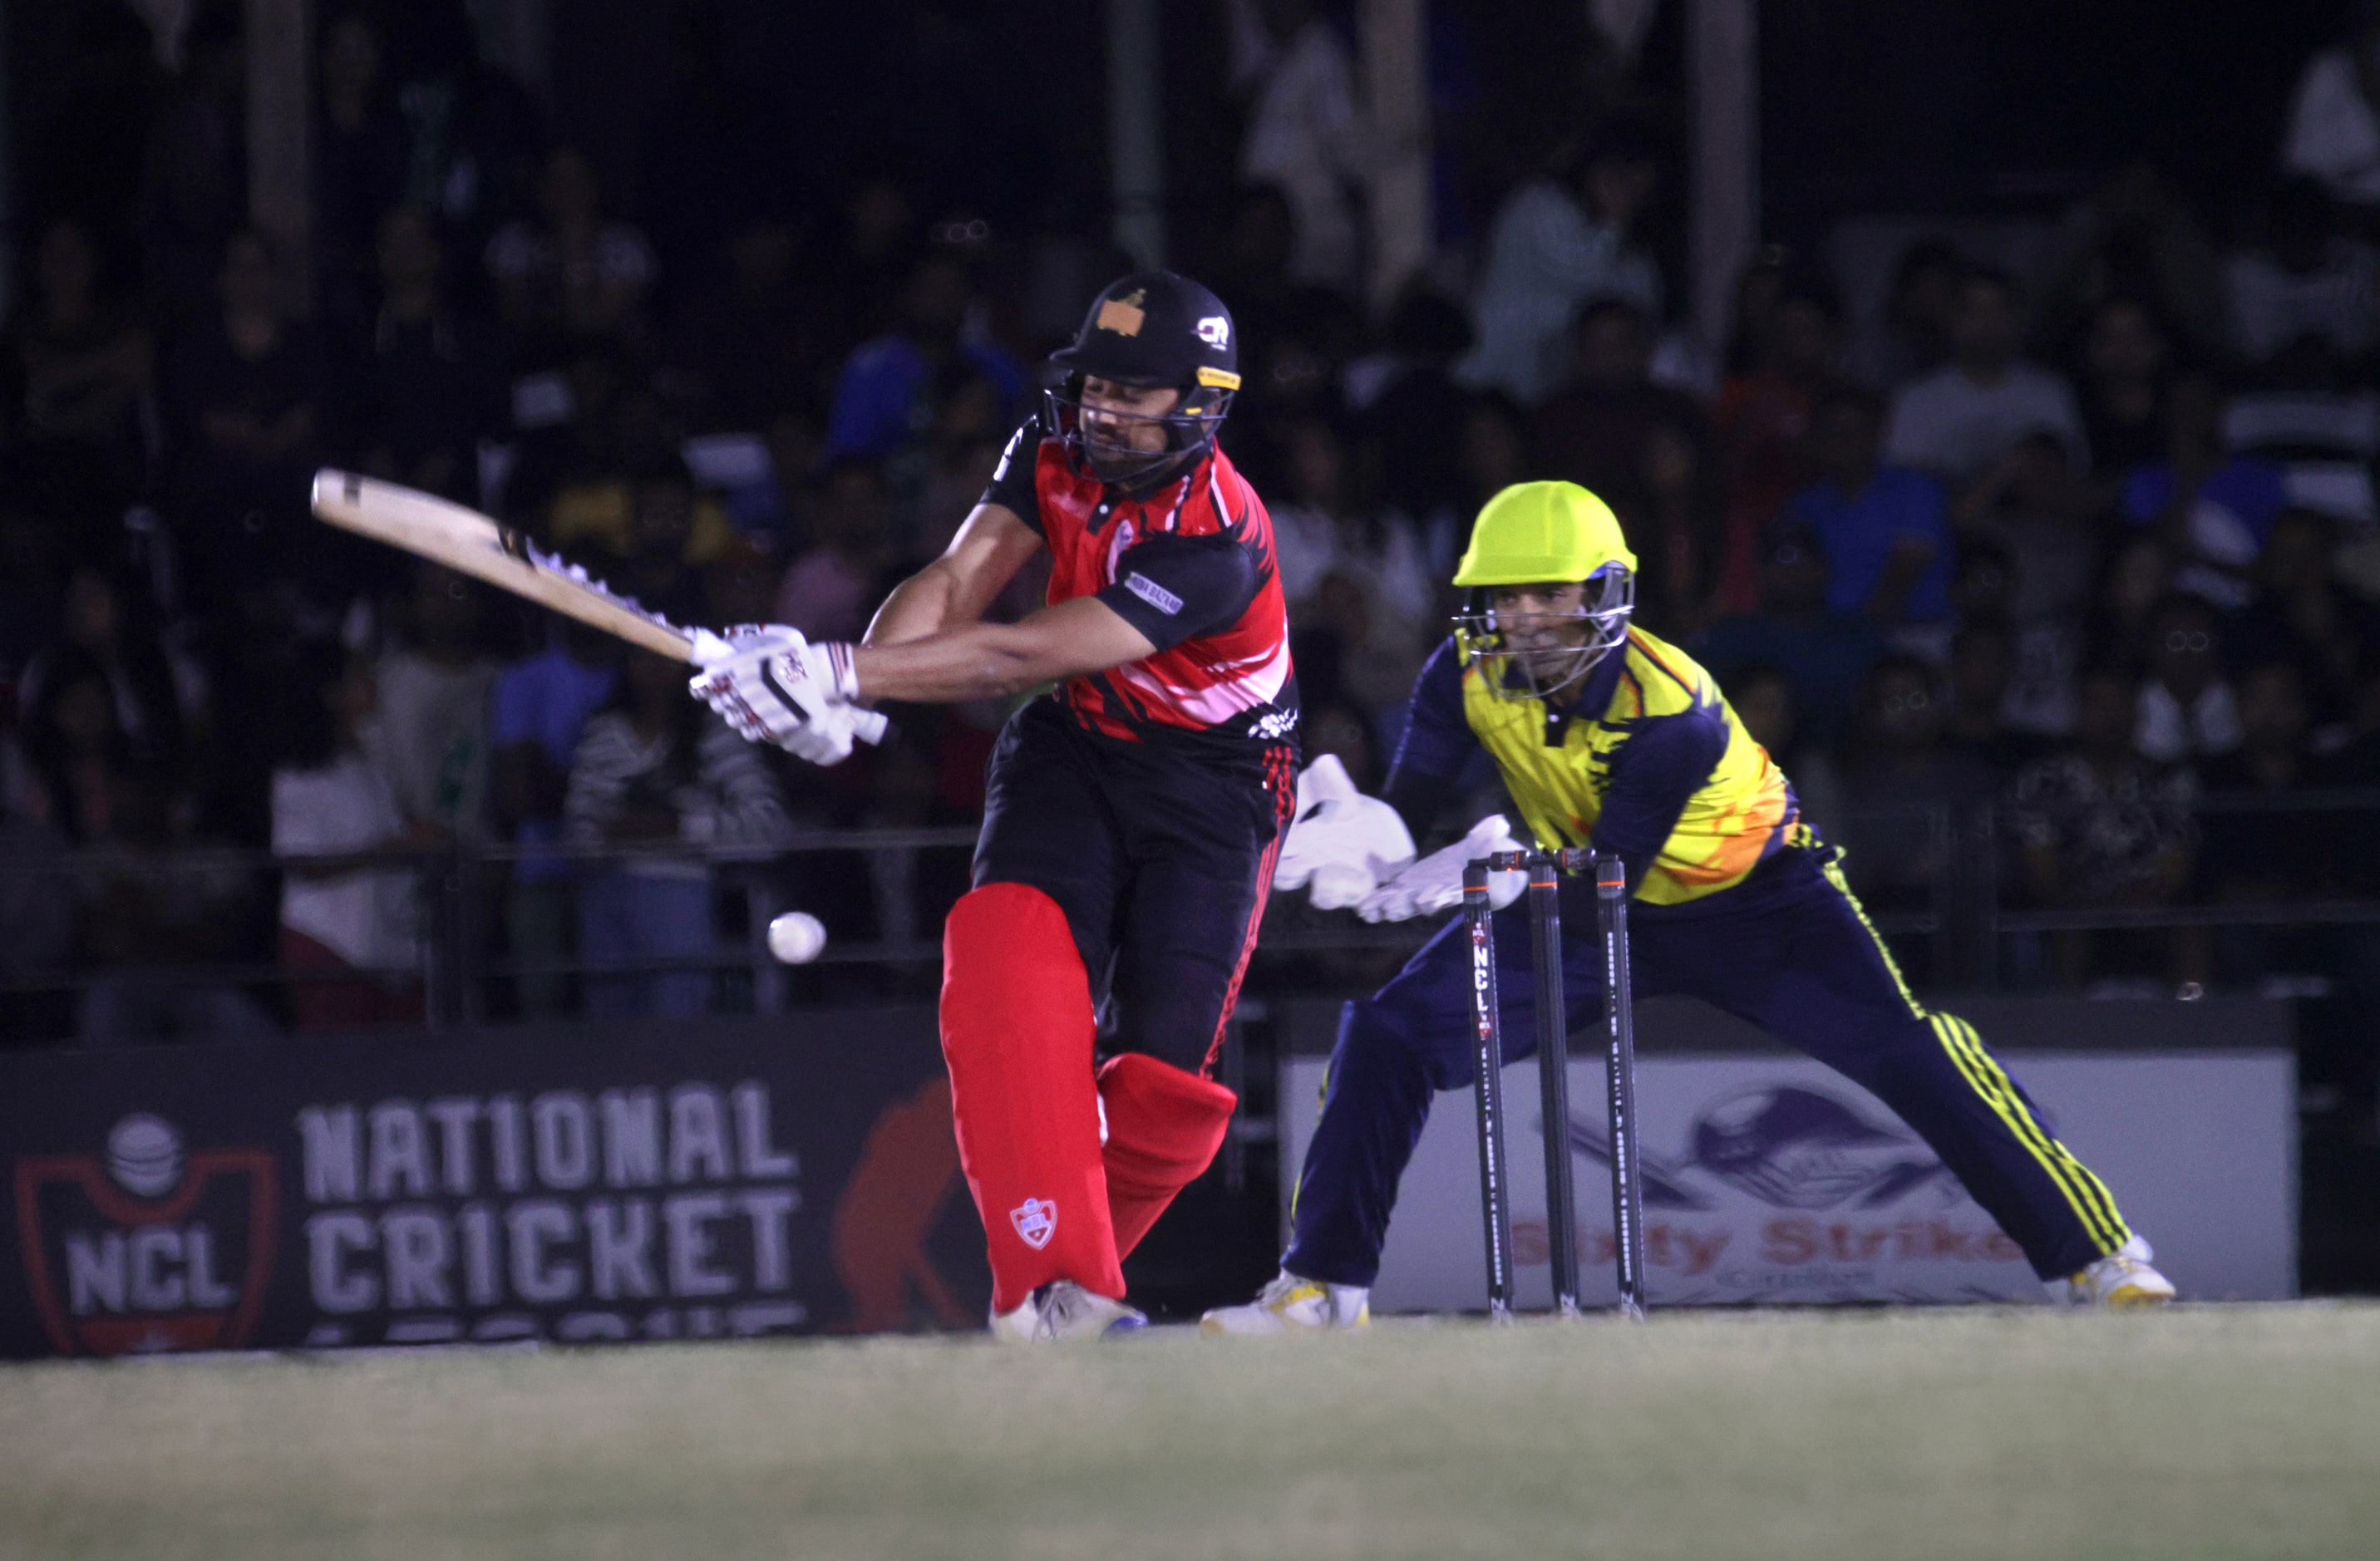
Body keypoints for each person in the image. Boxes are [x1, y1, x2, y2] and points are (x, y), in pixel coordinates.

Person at [1203, 480, 2173, 1334]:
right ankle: (1320, 1289)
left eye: (1552, 593)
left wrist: (1486, 873)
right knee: (1386, 1035)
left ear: (1605, 595)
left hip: (1757, 904)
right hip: (1569, 894)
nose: (1528, 618)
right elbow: (1411, 812)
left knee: (1915, 1054)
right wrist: (1366, 836)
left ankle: (2099, 1259)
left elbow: (1607, 881)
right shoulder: (1462, 677)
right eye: (1508, 594)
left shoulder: (1673, 708)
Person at [691, 272, 1298, 1342]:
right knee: (1004, 953)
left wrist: (840, 672)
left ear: (1198, 405)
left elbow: (1024, 649)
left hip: (1216, 789)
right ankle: (1047, 1284)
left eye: (1134, 396)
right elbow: (963, 574)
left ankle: (1076, 1290)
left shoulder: (1218, 539)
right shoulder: (1053, 445)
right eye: (1096, 385)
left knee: (1166, 1095)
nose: (1104, 412)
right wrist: (853, 684)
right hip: (1080, 741)